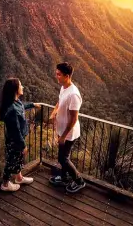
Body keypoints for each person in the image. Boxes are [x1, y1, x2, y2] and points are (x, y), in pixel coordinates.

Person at [49, 62, 86, 193]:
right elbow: (59, 101)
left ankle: (79, 180)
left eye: (59, 74)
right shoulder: (63, 88)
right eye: (56, 73)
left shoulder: (74, 94)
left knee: (63, 158)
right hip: (61, 130)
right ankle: (64, 178)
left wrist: (64, 136)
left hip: (69, 133)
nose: (56, 76)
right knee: (63, 157)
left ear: (67, 76)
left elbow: (74, 118)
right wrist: (54, 111)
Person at [0, 78, 40, 192]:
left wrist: (32, 104)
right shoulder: (12, 109)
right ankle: (5, 184)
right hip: (15, 140)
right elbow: (15, 130)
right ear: (15, 89)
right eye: (20, 85)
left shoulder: (15, 102)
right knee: (11, 161)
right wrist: (23, 145)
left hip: (18, 139)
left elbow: (22, 106)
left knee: (17, 159)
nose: (22, 87)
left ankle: (19, 178)